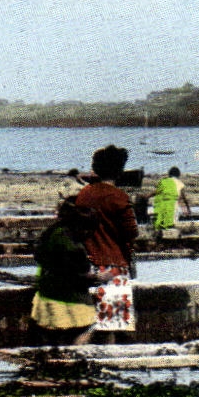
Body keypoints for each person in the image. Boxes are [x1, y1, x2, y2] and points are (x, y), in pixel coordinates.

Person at [74, 144, 138, 342]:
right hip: (113, 266)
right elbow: (131, 232)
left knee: (100, 321)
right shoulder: (119, 197)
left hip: (87, 264)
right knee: (112, 324)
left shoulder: (84, 195)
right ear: (119, 171)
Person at [31, 198, 98, 346]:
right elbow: (77, 275)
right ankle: (74, 355)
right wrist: (97, 277)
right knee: (91, 326)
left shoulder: (52, 232)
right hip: (67, 298)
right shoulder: (70, 242)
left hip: (46, 294)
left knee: (54, 337)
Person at [151, 166, 192, 240]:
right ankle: (170, 240)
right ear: (178, 175)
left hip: (162, 206)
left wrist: (146, 196)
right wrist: (188, 209)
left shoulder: (164, 181)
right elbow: (184, 198)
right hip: (173, 207)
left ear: (169, 174)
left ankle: (160, 238)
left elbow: (155, 192)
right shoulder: (180, 183)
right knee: (171, 225)